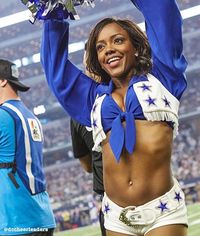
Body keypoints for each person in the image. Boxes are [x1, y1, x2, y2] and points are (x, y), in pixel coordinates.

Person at [40, 0, 188, 235]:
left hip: (163, 210)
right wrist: (55, 12)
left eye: (118, 40)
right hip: (116, 216)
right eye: (100, 47)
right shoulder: (92, 99)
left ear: (136, 46)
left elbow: (163, 14)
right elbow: (56, 71)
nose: (108, 49)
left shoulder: (163, 79)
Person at [0, 59, 56, 235]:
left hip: (16, 220)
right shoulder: (30, 116)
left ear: (2, 81)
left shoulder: (3, 115)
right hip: (41, 216)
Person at [70, 42, 106, 236]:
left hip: (116, 199)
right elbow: (86, 165)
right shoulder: (77, 112)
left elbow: (87, 165)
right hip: (111, 202)